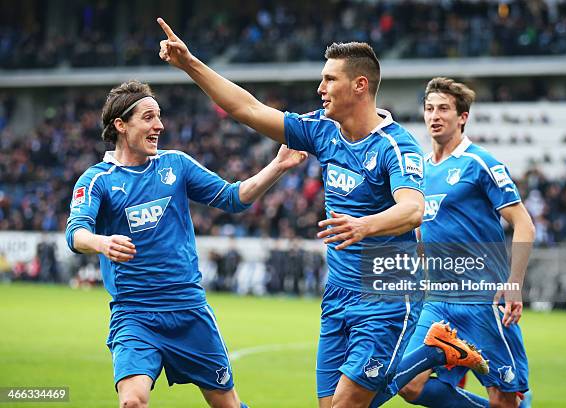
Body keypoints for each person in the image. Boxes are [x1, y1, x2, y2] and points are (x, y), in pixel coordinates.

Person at [157, 18, 486, 408]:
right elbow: (247, 109)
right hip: (339, 293)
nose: (320, 88)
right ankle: (431, 351)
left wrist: (364, 225)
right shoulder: (322, 130)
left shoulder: (396, 147)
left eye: (330, 79)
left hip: (387, 292)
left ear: (359, 86)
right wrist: (190, 63)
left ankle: (430, 353)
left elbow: (413, 210)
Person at [64, 80, 308, 408]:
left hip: (189, 310)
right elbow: (75, 232)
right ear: (121, 125)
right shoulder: (98, 179)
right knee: (132, 402)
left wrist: (278, 165)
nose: (159, 125)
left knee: (228, 405)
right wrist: (101, 242)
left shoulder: (175, 165)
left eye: (159, 117)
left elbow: (232, 197)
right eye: (148, 117)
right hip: (135, 313)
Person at [371, 77, 535, 408]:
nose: (435, 115)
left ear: (462, 117)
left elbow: (524, 225)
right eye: (429, 108)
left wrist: (514, 284)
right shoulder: (418, 170)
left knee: (504, 398)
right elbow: (423, 231)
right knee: (410, 387)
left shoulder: (479, 163)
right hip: (436, 301)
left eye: (444, 109)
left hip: (482, 300)